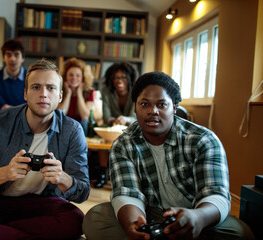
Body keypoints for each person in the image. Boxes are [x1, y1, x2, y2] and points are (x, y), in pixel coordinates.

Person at [83, 71, 255, 240]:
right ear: (135, 108)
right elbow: (127, 193)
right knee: (95, 220)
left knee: (241, 234)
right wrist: (134, 226)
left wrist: (198, 218)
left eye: (162, 104)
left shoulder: (203, 140)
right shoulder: (123, 145)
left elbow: (216, 194)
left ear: (174, 107)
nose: (153, 111)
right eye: (144, 104)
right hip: (147, 214)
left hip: (194, 214)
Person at [0, 59, 90, 240]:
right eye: (36, 87)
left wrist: (62, 177)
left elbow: (83, 191)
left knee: (76, 220)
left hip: (45, 202)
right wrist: (5, 173)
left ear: (60, 96)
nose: (44, 94)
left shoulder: (72, 130)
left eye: (51, 88)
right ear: (25, 93)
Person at [58, 57, 95, 135]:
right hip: (65, 127)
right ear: (65, 77)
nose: (74, 78)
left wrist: (79, 93)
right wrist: (68, 94)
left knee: (85, 121)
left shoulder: (89, 91)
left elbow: (86, 116)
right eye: (71, 75)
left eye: (78, 75)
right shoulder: (59, 90)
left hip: (82, 129)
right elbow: (60, 114)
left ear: (82, 78)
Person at [101, 62, 137, 126]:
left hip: (131, 128)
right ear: (111, 79)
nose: (119, 81)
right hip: (112, 128)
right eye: (116, 78)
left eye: (124, 77)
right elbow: (106, 117)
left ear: (130, 79)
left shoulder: (136, 92)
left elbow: (135, 118)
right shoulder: (106, 92)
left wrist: (126, 120)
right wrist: (114, 121)